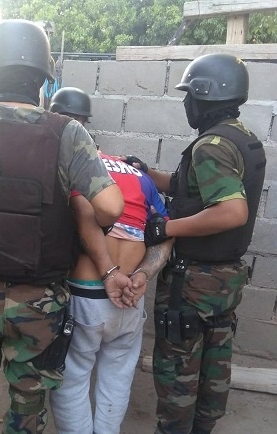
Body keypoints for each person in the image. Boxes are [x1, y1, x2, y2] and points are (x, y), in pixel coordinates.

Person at [0, 19, 132, 434]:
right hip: (38, 302)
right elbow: (111, 206)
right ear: (44, 78)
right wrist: (79, 218)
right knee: (28, 402)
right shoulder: (66, 132)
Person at [126, 53, 267, 434]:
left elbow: (231, 211)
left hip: (193, 284)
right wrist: (146, 173)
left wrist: (166, 228)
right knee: (213, 368)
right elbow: (189, 188)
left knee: (178, 374)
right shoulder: (243, 137)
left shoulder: (211, 146)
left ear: (205, 95)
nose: (186, 102)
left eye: (189, 94)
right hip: (225, 281)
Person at [48, 87, 172, 434]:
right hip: (132, 295)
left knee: (72, 378)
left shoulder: (73, 166)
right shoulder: (137, 174)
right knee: (117, 376)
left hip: (86, 294)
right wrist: (144, 274)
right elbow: (165, 231)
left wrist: (108, 272)